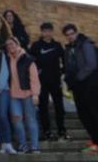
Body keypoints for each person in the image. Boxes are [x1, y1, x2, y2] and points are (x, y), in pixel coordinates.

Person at [29, 22, 69, 141]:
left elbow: (65, 60)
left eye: (49, 30)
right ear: (41, 32)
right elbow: (30, 61)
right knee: (43, 107)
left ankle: (62, 130)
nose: (47, 33)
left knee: (59, 107)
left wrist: (61, 71)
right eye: (45, 31)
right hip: (41, 83)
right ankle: (47, 131)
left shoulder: (57, 45)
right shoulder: (36, 45)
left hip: (55, 81)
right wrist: (36, 72)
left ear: (52, 32)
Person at [63, 24, 98, 154]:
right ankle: (95, 141)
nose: (70, 37)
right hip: (78, 87)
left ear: (77, 32)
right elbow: (68, 66)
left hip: (90, 85)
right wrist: (68, 79)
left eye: (72, 33)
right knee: (84, 115)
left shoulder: (85, 44)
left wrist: (77, 78)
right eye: (67, 35)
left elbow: (91, 65)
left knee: (93, 113)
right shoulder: (68, 48)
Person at [6, 37, 41, 153]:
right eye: (8, 45)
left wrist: (35, 94)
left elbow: (34, 78)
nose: (10, 46)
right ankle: (23, 145)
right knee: (17, 120)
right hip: (13, 96)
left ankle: (35, 145)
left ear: (17, 44)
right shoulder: (7, 59)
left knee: (31, 120)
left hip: (27, 94)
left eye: (12, 44)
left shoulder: (28, 59)